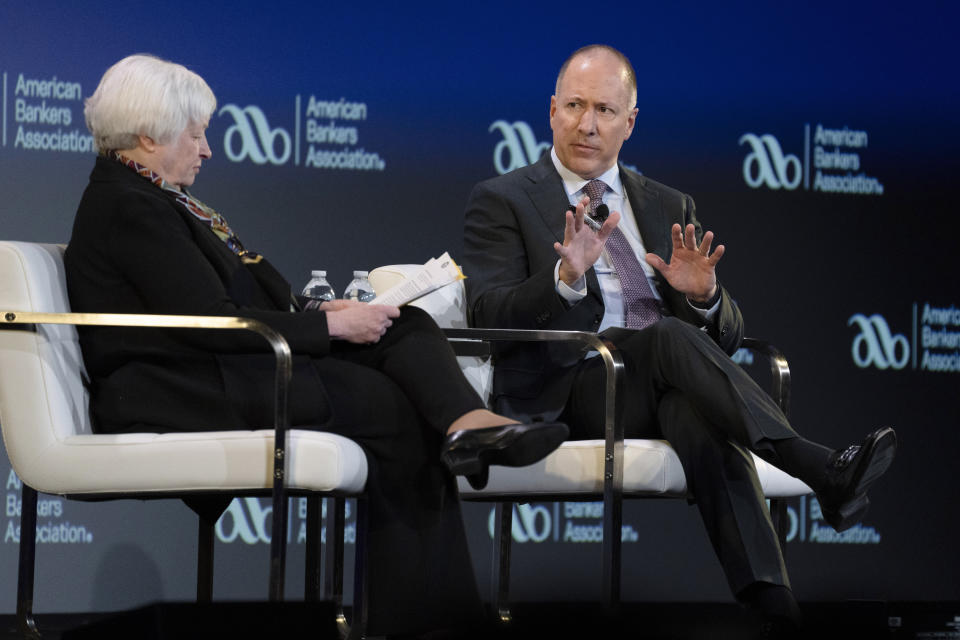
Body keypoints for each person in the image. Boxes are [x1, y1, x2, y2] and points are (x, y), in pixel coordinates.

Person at [64, 54, 568, 637]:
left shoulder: (156, 198)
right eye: (196, 134)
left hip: (218, 365)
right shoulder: (128, 205)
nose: (206, 150)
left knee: (402, 324)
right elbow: (205, 319)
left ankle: (468, 422)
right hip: (179, 385)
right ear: (149, 136)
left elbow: (230, 300)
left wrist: (323, 312)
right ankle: (427, 622)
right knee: (389, 407)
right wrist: (329, 329)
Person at [461, 44, 897, 636]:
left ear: (630, 123)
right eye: (575, 106)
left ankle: (775, 610)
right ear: (552, 112)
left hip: (657, 383)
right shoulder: (504, 198)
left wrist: (703, 299)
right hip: (568, 389)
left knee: (693, 409)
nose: (587, 124)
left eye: (606, 111)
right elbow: (487, 312)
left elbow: (727, 333)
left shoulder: (667, 203)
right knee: (667, 340)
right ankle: (816, 467)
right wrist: (565, 279)